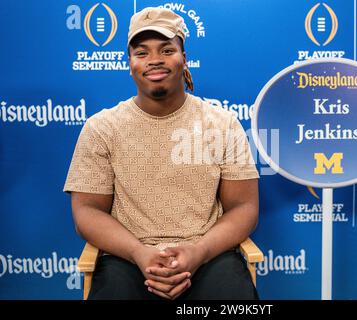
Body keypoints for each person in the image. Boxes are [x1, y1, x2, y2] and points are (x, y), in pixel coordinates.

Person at [63, 7, 260, 300]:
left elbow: (244, 207)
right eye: (141, 52)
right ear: (130, 63)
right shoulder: (101, 128)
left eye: (166, 49)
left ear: (184, 59)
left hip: (207, 255)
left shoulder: (222, 125)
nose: (154, 60)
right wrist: (138, 253)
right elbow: (87, 212)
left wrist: (199, 251)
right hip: (127, 257)